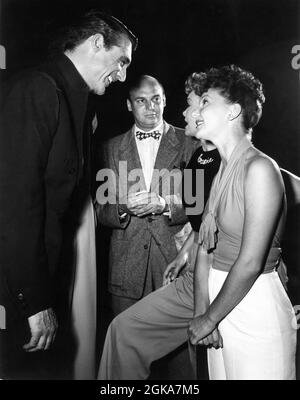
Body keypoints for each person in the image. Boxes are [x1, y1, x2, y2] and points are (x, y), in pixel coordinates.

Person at [98, 65, 297, 380]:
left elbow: (250, 262)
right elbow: (203, 244)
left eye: (205, 102)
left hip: (253, 305)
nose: (192, 109)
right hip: (215, 294)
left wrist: (207, 318)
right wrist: (204, 313)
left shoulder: (259, 168)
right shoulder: (220, 171)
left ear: (232, 112)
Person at [0, 10, 137, 379]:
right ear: (96, 42)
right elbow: (15, 207)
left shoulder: (73, 98)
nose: (123, 75)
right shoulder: (40, 89)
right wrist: (34, 302)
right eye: (121, 61)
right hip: (19, 293)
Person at [96, 75, 196, 378]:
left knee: (183, 364)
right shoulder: (111, 148)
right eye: (141, 100)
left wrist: (165, 205)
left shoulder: (190, 141)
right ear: (129, 105)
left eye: (157, 98)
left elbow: (201, 206)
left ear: (165, 100)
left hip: (175, 264)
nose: (151, 107)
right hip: (127, 269)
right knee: (126, 362)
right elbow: (102, 211)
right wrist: (124, 206)